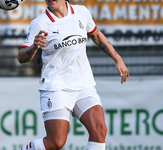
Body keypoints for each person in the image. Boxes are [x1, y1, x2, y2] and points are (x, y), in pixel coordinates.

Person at [18, 0, 129, 149]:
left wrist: (117, 58)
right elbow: (22, 57)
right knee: (56, 142)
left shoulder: (81, 12)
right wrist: (34, 46)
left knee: (99, 130)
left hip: (83, 85)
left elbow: (95, 35)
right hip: (56, 87)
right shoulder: (40, 23)